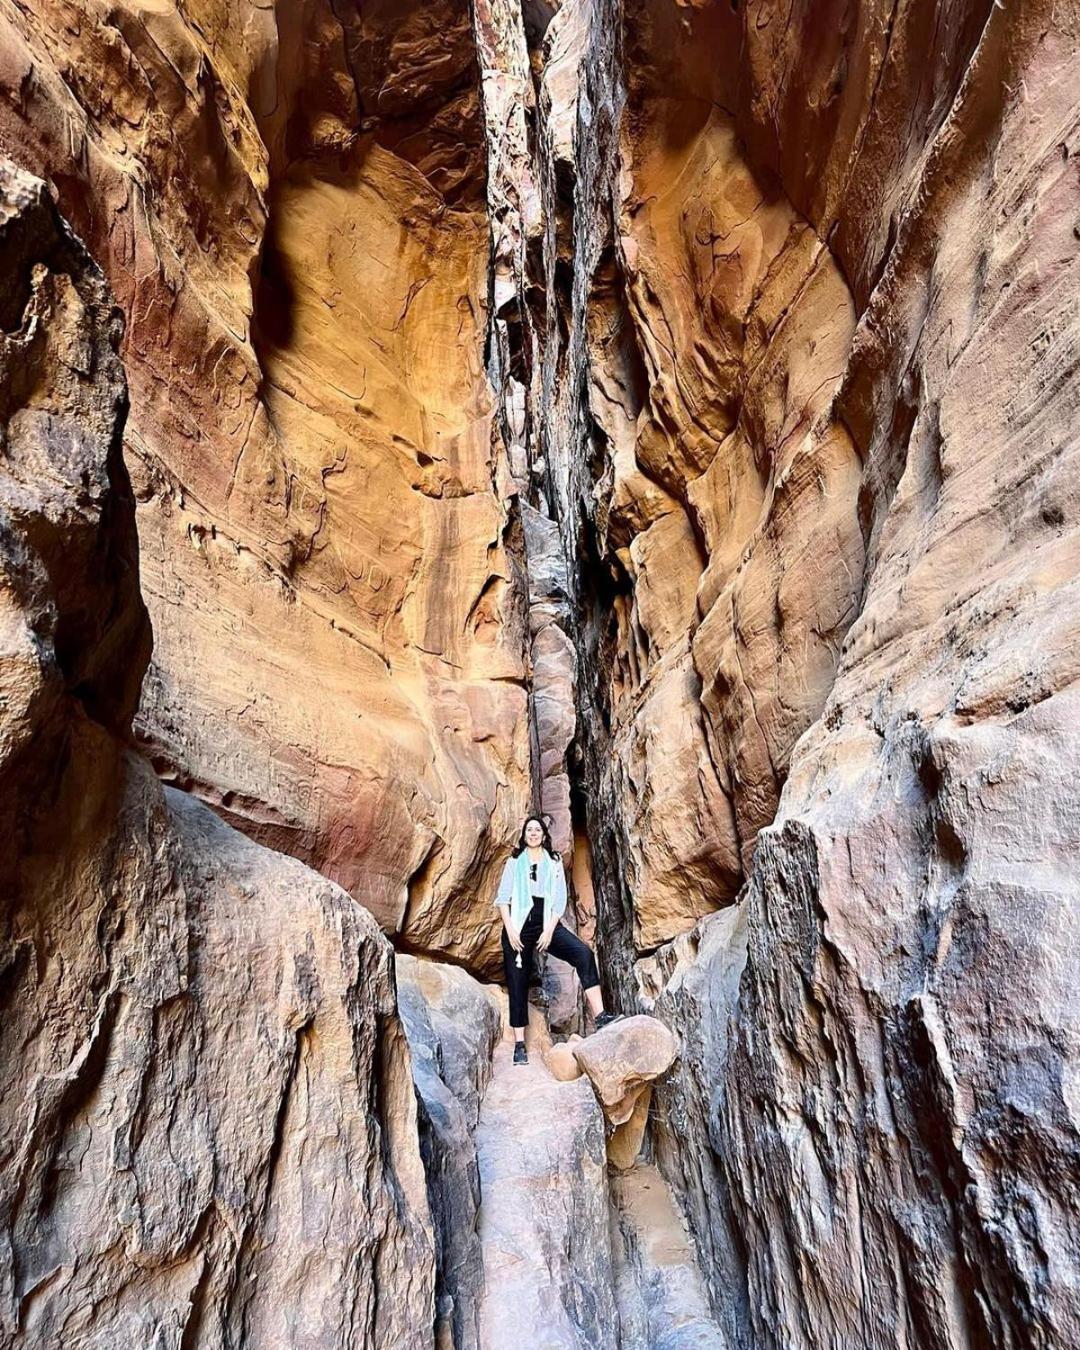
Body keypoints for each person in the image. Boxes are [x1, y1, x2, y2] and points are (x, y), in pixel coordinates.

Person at [495, 814, 615, 1065]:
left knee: (583, 954)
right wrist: (511, 931)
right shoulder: (514, 862)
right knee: (518, 981)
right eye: (529, 830)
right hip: (518, 926)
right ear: (524, 835)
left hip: (547, 923)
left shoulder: (554, 861)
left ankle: (601, 1015)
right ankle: (519, 1045)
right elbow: (503, 899)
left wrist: (550, 930)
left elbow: (559, 899)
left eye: (537, 829)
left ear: (544, 835)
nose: (534, 833)